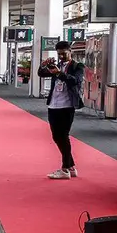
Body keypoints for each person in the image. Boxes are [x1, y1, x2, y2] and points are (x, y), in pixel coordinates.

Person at [38, 40, 85, 179]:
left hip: (67, 105)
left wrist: (59, 74)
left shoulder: (78, 66)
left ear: (70, 52)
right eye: (59, 54)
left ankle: (65, 169)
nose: (61, 57)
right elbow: (41, 74)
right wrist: (43, 65)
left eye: (64, 54)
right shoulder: (57, 65)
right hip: (53, 104)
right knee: (56, 136)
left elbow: (75, 81)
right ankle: (70, 166)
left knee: (63, 136)